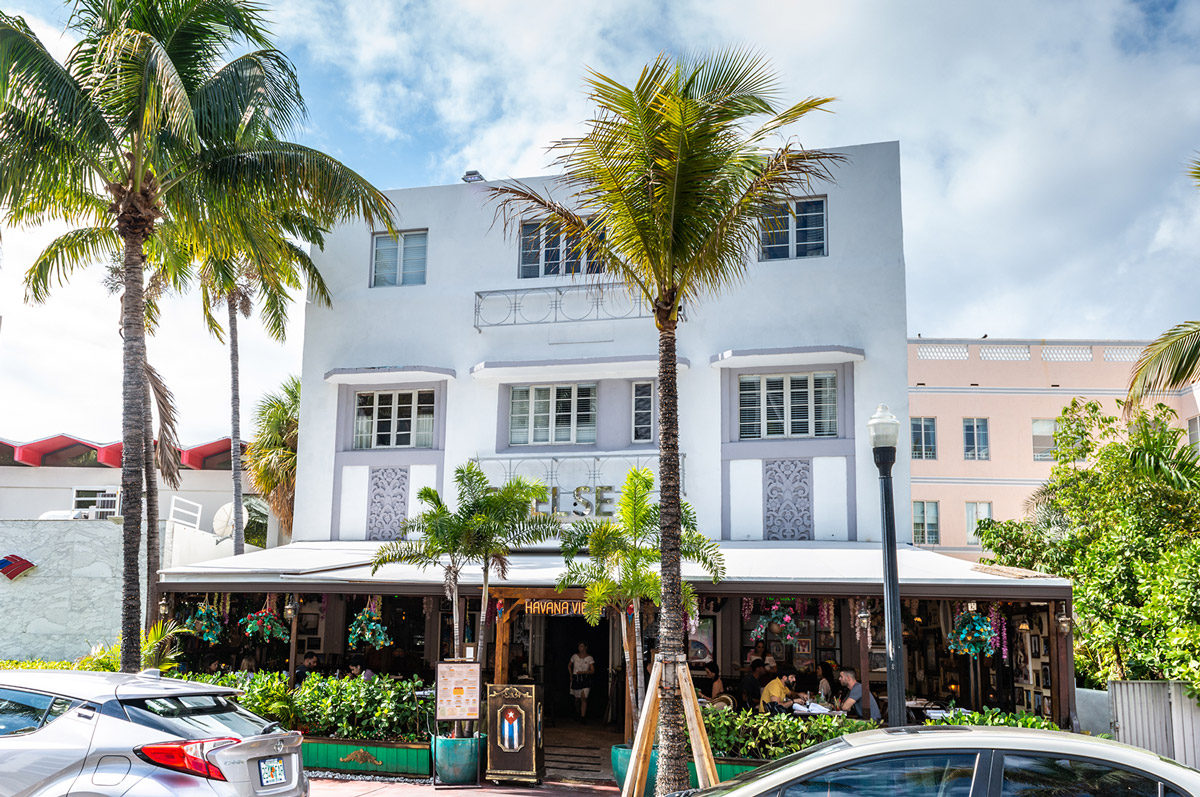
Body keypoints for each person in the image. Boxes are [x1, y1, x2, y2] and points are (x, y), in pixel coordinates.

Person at [569, 642, 595, 721]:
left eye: (582, 646)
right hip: (576, 678)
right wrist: (571, 675)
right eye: (579, 646)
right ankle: (577, 712)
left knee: (584, 697)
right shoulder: (574, 656)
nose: (580, 648)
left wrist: (583, 672)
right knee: (577, 698)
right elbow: (569, 665)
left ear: (585, 647)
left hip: (585, 678)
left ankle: (583, 717)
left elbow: (592, 670)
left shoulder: (589, 658)